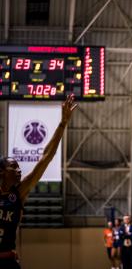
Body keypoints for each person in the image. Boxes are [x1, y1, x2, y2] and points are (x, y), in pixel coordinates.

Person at [0, 95, 76, 269]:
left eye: (19, 167)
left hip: (7, 261)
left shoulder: (18, 193)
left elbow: (45, 158)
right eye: (14, 167)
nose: (19, 171)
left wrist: (63, 123)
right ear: (2, 171)